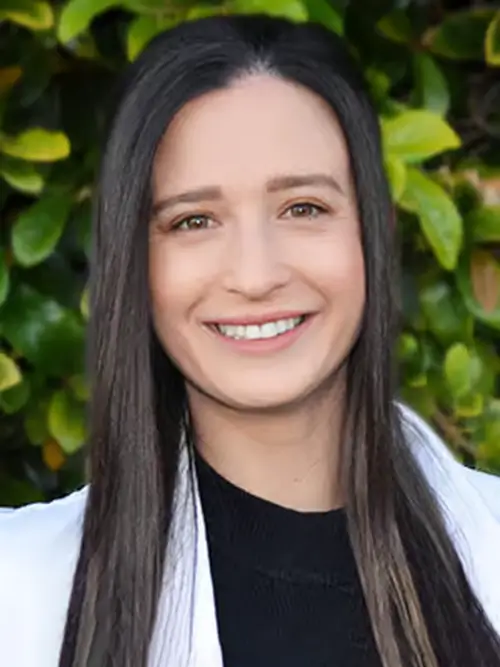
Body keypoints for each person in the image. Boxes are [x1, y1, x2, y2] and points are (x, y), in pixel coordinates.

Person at [1, 13, 500, 667]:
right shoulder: (21, 592)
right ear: (134, 262)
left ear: (371, 230)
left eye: (303, 208)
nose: (256, 275)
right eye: (194, 220)